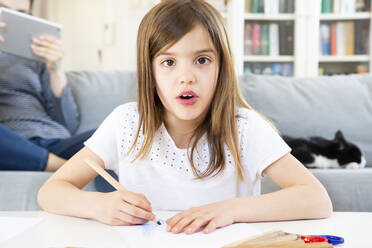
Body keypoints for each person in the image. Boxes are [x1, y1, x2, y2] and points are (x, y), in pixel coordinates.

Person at [38, 0, 332, 234]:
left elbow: (316, 199)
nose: (186, 77)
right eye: (168, 62)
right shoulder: (126, 122)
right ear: (150, 74)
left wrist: (229, 210)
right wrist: (99, 205)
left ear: (222, 68)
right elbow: (51, 192)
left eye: (202, 60)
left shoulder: (244, 127)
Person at [0, 0, 94, 171]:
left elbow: (67, 124)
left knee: (121, 136)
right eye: (3, 11)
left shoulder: (35, 58)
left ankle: (75, 171)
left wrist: (56, 70)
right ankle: (67, 169)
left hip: (57, 143)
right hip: (11, 145)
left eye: (20, 13)